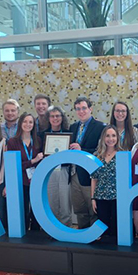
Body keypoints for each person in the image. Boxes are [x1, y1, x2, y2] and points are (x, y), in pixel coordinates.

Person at [69, 97, 105, 229]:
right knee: (79, 210)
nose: (81, 111)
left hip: (90, 176)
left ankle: (95, 239)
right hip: (73, 175)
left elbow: (101, 151)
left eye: (84, 108)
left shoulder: (101, 127)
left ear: (90, 109)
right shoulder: (72, 127)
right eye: (78, 109)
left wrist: (81, 150)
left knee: (93, 210)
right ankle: (82, 237)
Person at [7, 113, 44, 230]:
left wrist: (36, 162)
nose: (28, 124)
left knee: (36, 209)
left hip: (36, 180)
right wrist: (33, 161)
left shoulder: (38, 140)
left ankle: (35, 234)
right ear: (20, 123)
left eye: (30, 122)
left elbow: (41, 162)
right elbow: (14, 165)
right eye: (25, 121)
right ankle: (23, 232)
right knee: (22, 209)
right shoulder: (12, 142)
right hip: (20, 181)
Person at [41, 106, 72, 227]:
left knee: (65, 203)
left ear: (62, 118)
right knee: (51, 202)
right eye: (52, 116)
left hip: (64, 171)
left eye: (58, 116)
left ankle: (66, 229)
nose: (55, 118)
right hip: (48, 172)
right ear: (48, 118)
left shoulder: (69, 134)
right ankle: (52, 229)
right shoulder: (42, 135)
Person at [91, 125, 122, 239]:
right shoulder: (97, 155)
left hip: (117, 198)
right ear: (103, 138)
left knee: (115, 229)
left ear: (117, 138)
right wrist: (93, 198)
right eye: (107, 136)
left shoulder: (122, 154)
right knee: (103, 228)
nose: (111, 139)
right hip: (101, 197)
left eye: (113, 135)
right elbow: (94, 179)